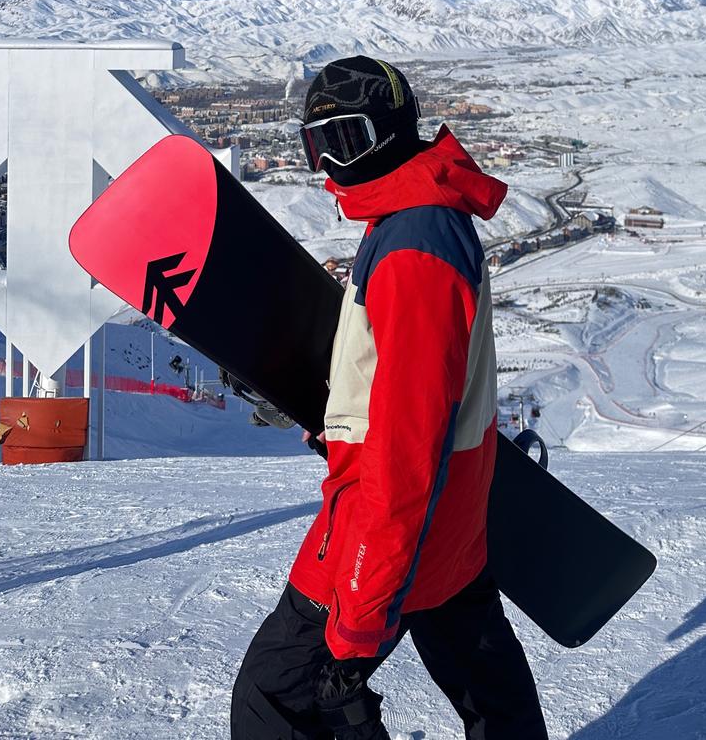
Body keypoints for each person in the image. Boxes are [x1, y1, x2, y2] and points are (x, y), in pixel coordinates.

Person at [231, 57, 548, 739]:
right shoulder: (420, 216)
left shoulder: (413, 247)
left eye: (350, 140)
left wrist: (357, 618)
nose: (333, 166)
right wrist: (342, 423)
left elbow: (407, 458)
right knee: (491, 693)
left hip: (390, 535)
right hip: (450, 533)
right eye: (321, 145)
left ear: (394, 132)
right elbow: (412, 395)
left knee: (273, 702)